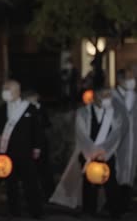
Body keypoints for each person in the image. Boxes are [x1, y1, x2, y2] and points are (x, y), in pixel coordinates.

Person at [50, 87, 126, 219]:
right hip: (88, 153)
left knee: (110, 182)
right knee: (89, 182)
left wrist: (104, 151)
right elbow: (81, 134)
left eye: (109, 96)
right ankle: (89, 210)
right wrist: (91, 152)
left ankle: (115, 211)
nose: (107, 99)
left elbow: (116, 134)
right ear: (96, 97)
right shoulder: (83, 112)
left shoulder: (114, 113)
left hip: (106, 153)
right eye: (104, 95)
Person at [0, 80, 44, 219]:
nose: (5, 92)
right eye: (4, 89)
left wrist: (37, 147)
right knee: (11, 184)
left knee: (31, 183)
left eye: (8, 89)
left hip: (26, 152)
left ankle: (36, 211)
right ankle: (14, 211)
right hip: (7, 153)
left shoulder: (30, 109)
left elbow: (37, 130)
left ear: (17, 91)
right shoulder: (0, 110)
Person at [112, 68, 137, 213]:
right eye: (129, 78)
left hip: (132, 142)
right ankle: (114, 203)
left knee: (129, 172)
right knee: (117, 172)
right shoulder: (113, 97)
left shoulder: (134, 96)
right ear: (120, 80)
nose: (132, 80)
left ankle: (125, 203)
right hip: (117, 143)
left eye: (133, 77)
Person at [24, 90, 54, 200]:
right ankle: (31, 193)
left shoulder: (41, 109)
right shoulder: (25, 108)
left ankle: (48, 193)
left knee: (44, 168)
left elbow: (46, 124)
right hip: (29, 142)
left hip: (41, 142)